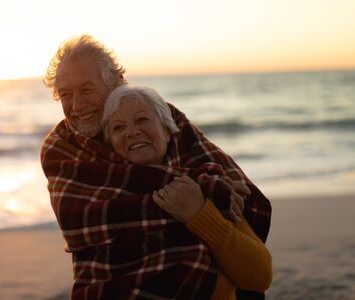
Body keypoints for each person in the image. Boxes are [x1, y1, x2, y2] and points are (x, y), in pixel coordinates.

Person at [40, 34, 272, 299]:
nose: (76, 106)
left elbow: (258, 271)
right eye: (65, 95)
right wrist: (203, 194)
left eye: (87, 89)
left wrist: (202, 206)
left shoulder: (166, 122)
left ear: (117, 82)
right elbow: (78, 224)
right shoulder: (62, 150)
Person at [101, 84, 272, 299]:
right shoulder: (107, 198)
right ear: (111, 145)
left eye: (142, 119)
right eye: (118, 128)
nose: (131, 132)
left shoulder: (205, 182)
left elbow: (260, 276)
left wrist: (199, 213)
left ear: (166, 129)